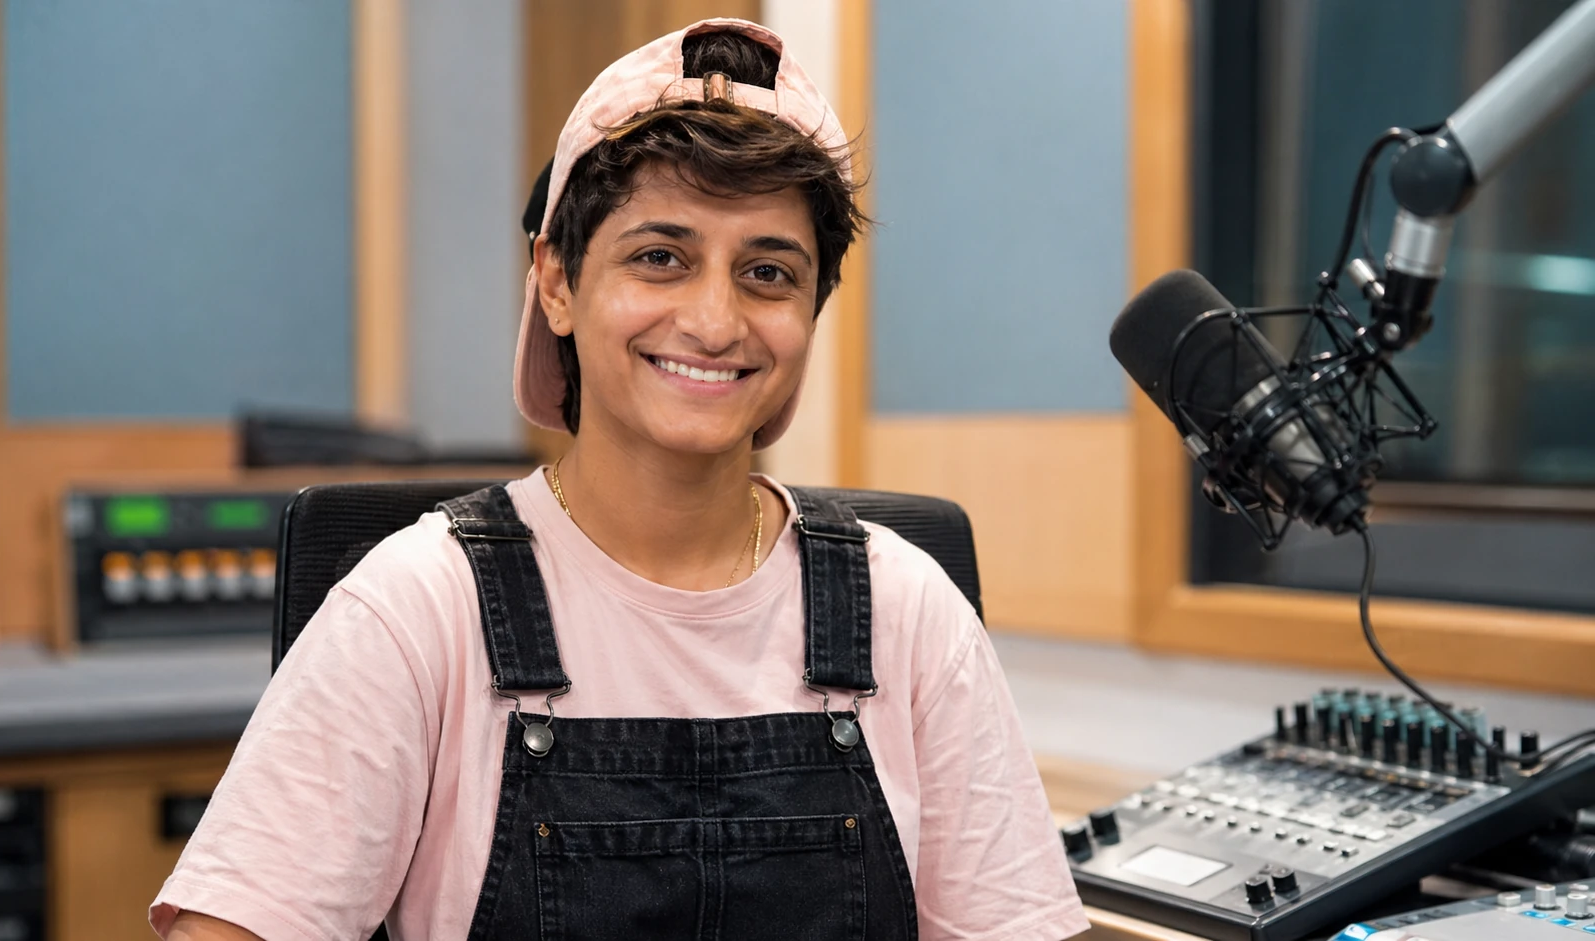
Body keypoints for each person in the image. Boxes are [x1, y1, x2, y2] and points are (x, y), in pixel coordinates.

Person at [153, 19, 1088, 941]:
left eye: (768, 272)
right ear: (557, 282)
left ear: (812, 310)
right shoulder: (418, 608)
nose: (715, 322)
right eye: (660, 257)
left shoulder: (908, 614)